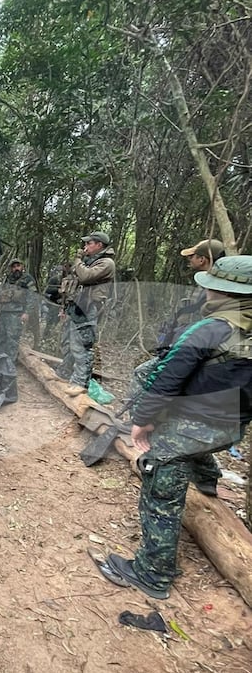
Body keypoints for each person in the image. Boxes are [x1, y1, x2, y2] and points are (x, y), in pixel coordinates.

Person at [96, 255, 252, 600]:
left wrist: (143, 421)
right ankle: (208, 481)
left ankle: (152, 572)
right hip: (231, 428)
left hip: (192, 426)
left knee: (161, 487)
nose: (207, 292)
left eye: (214, 287)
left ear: (226, 293)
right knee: (194, 445)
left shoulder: (211, 328)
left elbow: (166, 377)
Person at [58, 231, 116, 395]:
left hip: (89, 309)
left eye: (88, 243)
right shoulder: (91, 261)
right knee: (69, 343)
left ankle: (80, 383)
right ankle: (64, 373)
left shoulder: (106, 263)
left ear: (99, 245)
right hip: (78, 306)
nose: (85, 247)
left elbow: (85, 276)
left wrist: (77, 259)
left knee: (82, 346)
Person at [157, 238, 226, 352]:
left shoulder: (214, 289)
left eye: (192, 256)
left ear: (202, 260)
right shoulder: (206, 283)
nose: (189, 259)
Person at [0, 258, 38, 363]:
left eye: (18, 266)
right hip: (4, 312)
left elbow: (32, 296)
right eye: (13, 267)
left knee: (12, 339)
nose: (16, 268)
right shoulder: (7, 279)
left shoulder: (27, 279)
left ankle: (10, 363)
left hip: (17, 313)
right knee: (1, 337)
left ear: (22, 266)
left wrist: (27, 312)